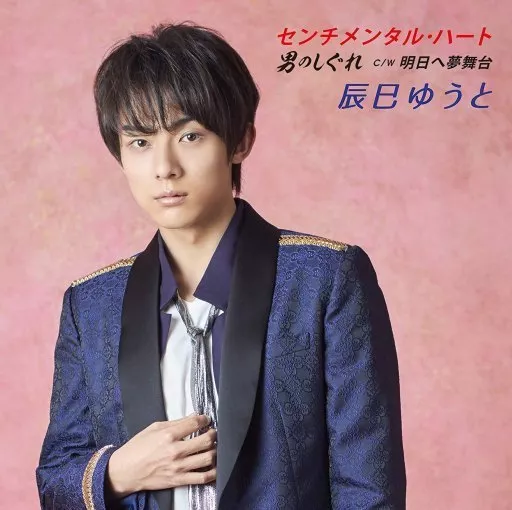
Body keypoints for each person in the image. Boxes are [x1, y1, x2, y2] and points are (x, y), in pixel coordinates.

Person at [36, 21, 407, 510]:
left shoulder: (326, 279)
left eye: (189, 136)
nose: (164, 168)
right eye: (140, 142)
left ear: (240, 142)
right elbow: (56, 479)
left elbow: (370, 489)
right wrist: (118, 471)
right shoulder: (91, 305)